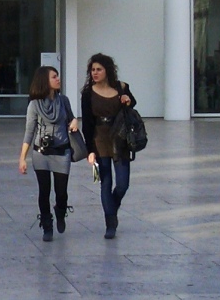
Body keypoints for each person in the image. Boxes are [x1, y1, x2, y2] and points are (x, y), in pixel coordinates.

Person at [18, 66, 78, 242]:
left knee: (61, 192)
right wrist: (22, 158)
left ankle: (60, 211)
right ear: (45, 81)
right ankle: (46, 223)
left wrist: (74, 121)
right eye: (54, 77)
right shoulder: (34, 105)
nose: (58, 79)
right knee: (44, 191)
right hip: (41, 153)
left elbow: (71, 119)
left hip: (62, 152)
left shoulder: (64, 101)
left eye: (58, 76)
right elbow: (29, 132)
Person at [80, 53, 137, 239]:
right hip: (100, 138)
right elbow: (87, 124)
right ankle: (110, 221)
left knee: (122, 183)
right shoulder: (88, 93)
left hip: (120, 137)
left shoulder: (121, 87)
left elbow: (132, 103)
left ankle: (113, 205)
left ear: (107, 70)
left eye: (99, 69)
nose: (95, 73)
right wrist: (90, 150)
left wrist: (127, 100)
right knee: (106, 182)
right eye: (92, 70)